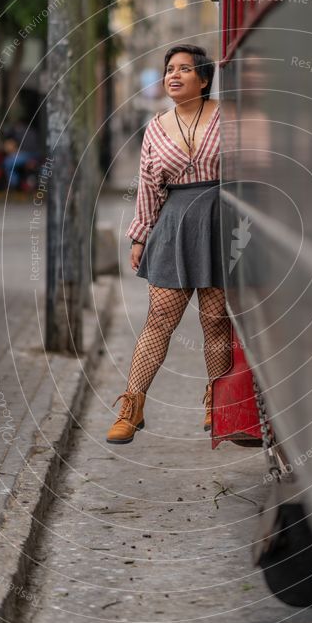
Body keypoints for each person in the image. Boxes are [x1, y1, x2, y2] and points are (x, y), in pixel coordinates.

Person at [106, 44, 232, 444]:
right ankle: (132, 405)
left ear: (205, 79)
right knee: (159, 320)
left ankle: (218, 401)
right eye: (169, 69)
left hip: (219, 222)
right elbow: (148, 188)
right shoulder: (156, 128)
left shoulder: (229, 119)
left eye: (184, 69)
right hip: (172, 225)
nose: (173, 76)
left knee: (215, 321)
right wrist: (140, 237)